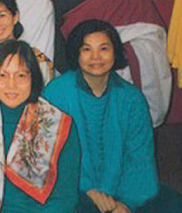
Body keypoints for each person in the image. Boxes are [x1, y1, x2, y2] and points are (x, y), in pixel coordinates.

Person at [44, 20, 174, 213]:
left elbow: (139, 156)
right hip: (71, 188)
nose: (96, 57)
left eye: (103, 48)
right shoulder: (55, 93)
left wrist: (127, 204)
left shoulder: (132, 98)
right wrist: (87, 190)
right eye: (87, 49)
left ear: (115, 52)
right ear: (76, 54)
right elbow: (46, 156)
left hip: (123, 190)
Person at [0, 40, 80, 213]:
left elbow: (65, 197)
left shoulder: (58, 124)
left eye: (21, 75)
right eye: (2, 75)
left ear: (33, 78)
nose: (12, 85)